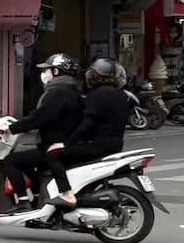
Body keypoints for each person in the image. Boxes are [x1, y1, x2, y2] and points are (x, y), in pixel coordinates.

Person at [1, 53, 84, 205]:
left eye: (46, 70)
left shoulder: (58, 92)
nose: (43, 74)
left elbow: (40, 117)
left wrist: (11, 128)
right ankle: (38, 198)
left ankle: (23, 201)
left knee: (10, 161)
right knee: (27, 162)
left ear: (56, 72)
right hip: (65, 144)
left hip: (54, 146)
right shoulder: (72, 90)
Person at [46, 58, 128, 208]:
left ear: (95, 75)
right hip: (116, 145)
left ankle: (66, 194)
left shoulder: (97, 95)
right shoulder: (121, 95)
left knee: (53, 154)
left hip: (98, 145)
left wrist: (66, 143)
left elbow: (87, 124)